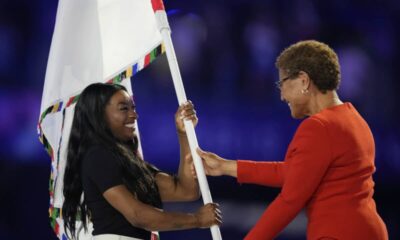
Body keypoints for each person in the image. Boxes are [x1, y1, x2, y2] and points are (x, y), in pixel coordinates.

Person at [197, 40, 388, 240]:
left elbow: (290, 200)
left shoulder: (319, 127)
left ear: (304, 80)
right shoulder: (354, 118)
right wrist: (225, 167)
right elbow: (296, 173)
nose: (281, 96)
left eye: (282, 83)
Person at [62, 83, 222, 240]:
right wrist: (196, 219)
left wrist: (183, 132)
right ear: (98, 115)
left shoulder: (129, 163)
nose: (134, 115)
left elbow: (186, 191)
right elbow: (137, 215)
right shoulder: (97, 156)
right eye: (124, 108)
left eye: (133, 107)